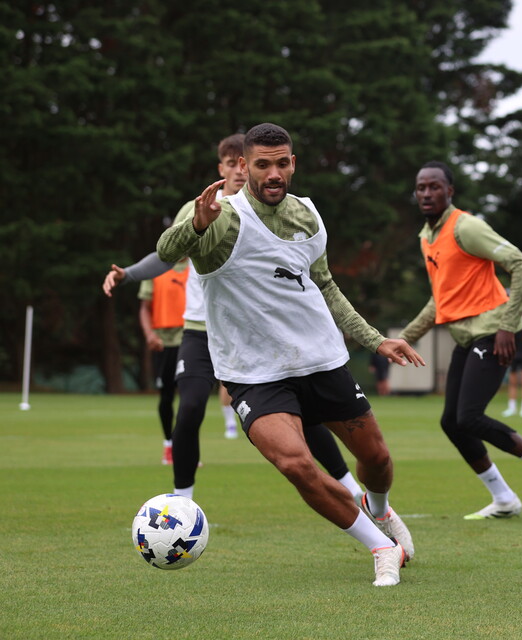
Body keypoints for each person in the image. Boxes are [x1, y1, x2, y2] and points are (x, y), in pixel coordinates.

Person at [158, 123, 423, 587]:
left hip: (320, 360)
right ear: (244, 167)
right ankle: (381, 548)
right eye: (262, 165)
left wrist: (375, 340)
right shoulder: (221, 218)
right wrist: (195, 225)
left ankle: (378, 510)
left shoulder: (308, 216)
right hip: (254, 373)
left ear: (293, 164)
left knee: (377, 459)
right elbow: (165, 252)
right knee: (297, 465)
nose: (274, 173)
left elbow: (326, 286)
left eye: (282, 163)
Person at [104, 134, 365, 504]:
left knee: (302, 413)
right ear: (226, 167)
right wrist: (128, 274)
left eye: (256, 164)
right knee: (190, 407)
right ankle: (182, 503)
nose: (240, 172)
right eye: (232, 164)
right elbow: (167, 255)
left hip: (255, 333)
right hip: (201, 330)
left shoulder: (273, 212)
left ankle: (353, 490)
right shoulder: (200, 208)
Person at [399, 161, 522, 520]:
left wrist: (508, 326)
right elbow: (440, 300)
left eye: (434, 187)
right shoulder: (426, 237)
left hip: (495, 331)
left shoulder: (466, 227)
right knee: (452, 422)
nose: (426, 193)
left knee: (470, 416)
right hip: (468, 337)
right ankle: (504, 498)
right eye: (421, 187)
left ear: (450, 192)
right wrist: (402, 339)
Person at [137, 257, 188, 464]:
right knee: (166, 396)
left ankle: (186, 449)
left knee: (191, 398)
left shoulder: (198, 265)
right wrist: (149, 334)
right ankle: (169, 445)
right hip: (163, 342)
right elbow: (144, 307)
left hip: (191, 339)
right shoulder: (155, 268)